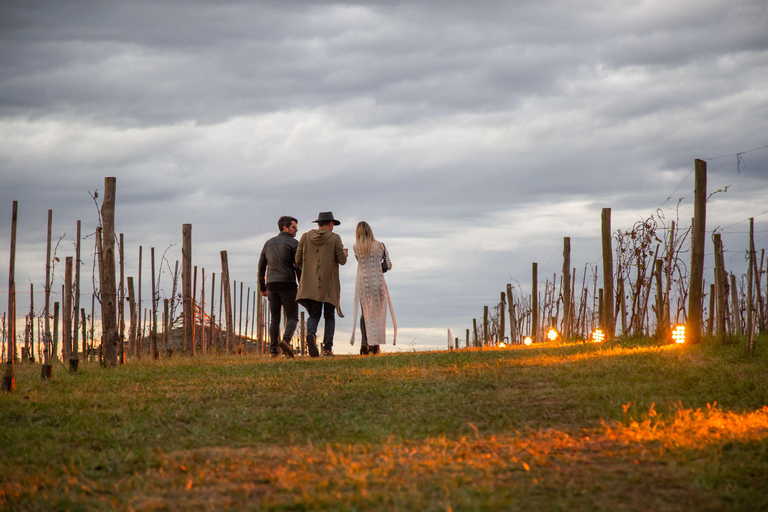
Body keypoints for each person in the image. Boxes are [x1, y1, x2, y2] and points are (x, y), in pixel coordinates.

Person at [296, 211, 348, 358]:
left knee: (314, 313)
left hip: (310, 284)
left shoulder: (305, 237)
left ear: (318, 224)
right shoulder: (335, 238)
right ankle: (327, 349)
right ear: (331, 224)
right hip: (329, 284)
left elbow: (297, 259)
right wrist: (344, 253)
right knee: (329, 316)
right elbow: (342, 261)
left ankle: (311, 333)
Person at [349, 221, 396, 354]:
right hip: (378, 282)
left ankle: (365, 341)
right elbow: (389, 265)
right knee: (377, 314)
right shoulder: (380, 246)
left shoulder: (355, 247)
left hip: (363, 284)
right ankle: (375, 346)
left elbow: (361, 262)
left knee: (366, 313)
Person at [258, 216, 301, 358]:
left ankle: (273, 351)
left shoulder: (268, 243)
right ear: (285, 227)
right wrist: (301, 284)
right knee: (293, 316)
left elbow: (261, 266)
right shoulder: (294, 243)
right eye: (294, 227)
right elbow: (298, 266)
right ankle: (286, 341)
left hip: (271, 284)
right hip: (288, 284)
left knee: (274, 318)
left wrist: (262, 286)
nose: (296, 229)